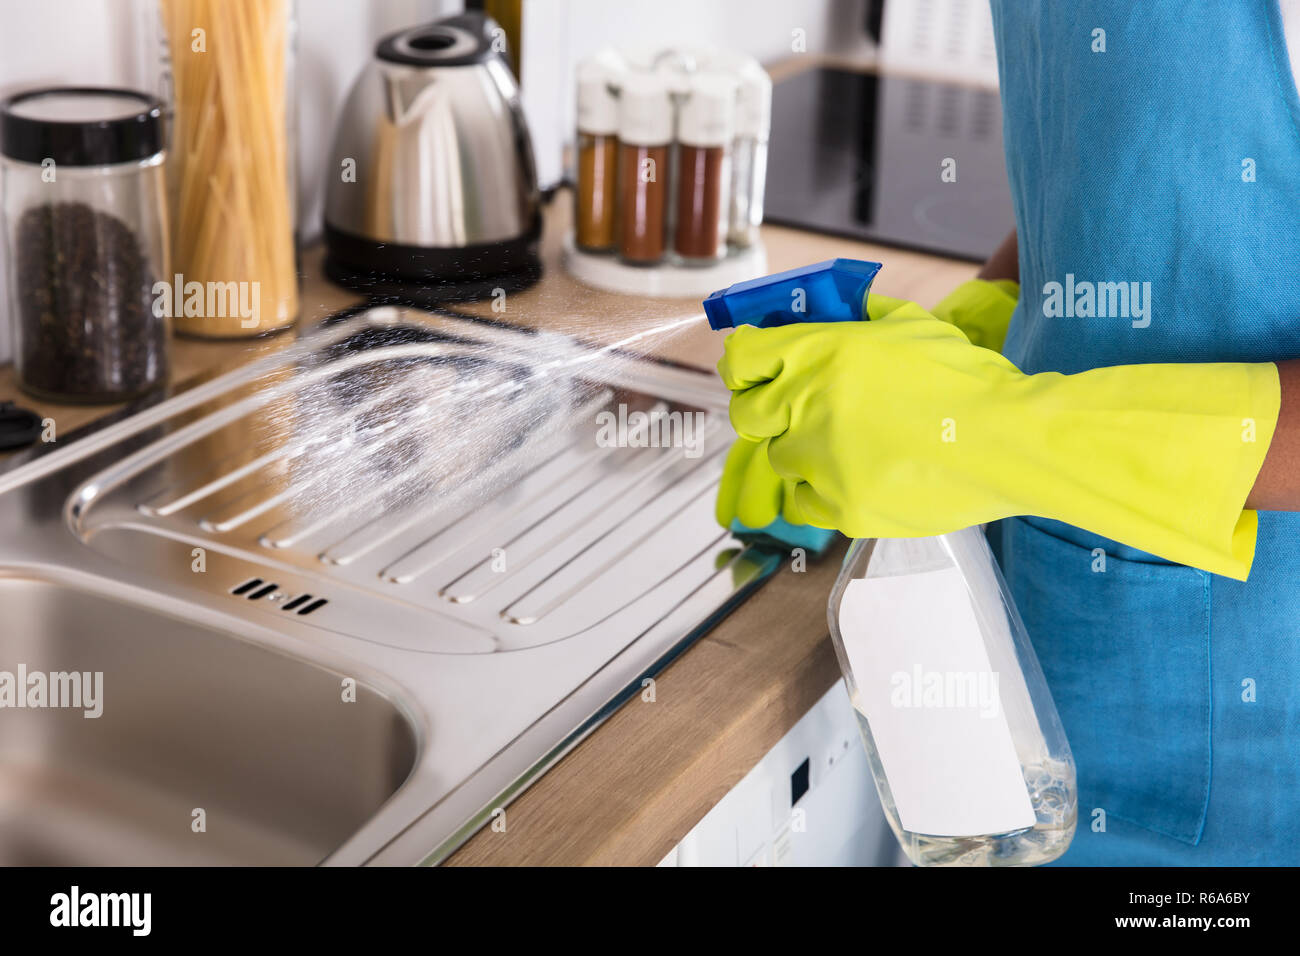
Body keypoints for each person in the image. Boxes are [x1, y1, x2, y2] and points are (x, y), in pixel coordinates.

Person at [715, 1, 1300, 865]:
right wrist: (976, 327)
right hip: (1064, 649)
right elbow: (1130, 161)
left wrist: (997, 433)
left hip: (1246, 725)